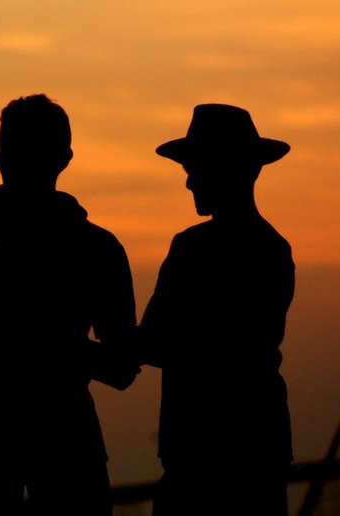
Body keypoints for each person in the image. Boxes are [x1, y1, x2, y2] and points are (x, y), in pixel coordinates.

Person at [0, 94, 140, 515]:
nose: (12, 159)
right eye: (12, 148)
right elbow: (121, 367)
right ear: (65, 159)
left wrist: (10, 341)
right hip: (53, 434)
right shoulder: (96, 247)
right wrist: (53, 348)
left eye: (19, 148)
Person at [140, 104, 294, 515]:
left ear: (229, 170)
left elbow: (154, 343)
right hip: (256, 449)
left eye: (196, 168)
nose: (189, 181)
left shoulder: (191, 249)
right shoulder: (273, 250)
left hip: (199, 453)